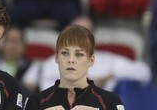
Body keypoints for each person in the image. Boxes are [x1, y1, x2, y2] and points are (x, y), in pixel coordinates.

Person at [19, 24, 128, 110]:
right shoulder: (36, 101)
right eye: (65, 53)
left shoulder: (110, 101)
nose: (71, 60)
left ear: (91, 60)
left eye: (79, 54)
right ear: (56, 57)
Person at [22, 16, 152, 93]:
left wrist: (110, 77)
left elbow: (144, 72)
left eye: (85, 32)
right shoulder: (51, 62)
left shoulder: (107, 60)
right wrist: (85, 83)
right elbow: (28, 83)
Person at [0, 26, 31, 97]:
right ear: (2, 44)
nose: (13, 46)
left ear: (24, 46)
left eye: (17, 41)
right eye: (10, 40)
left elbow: (28, 89)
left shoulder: (31, 66)